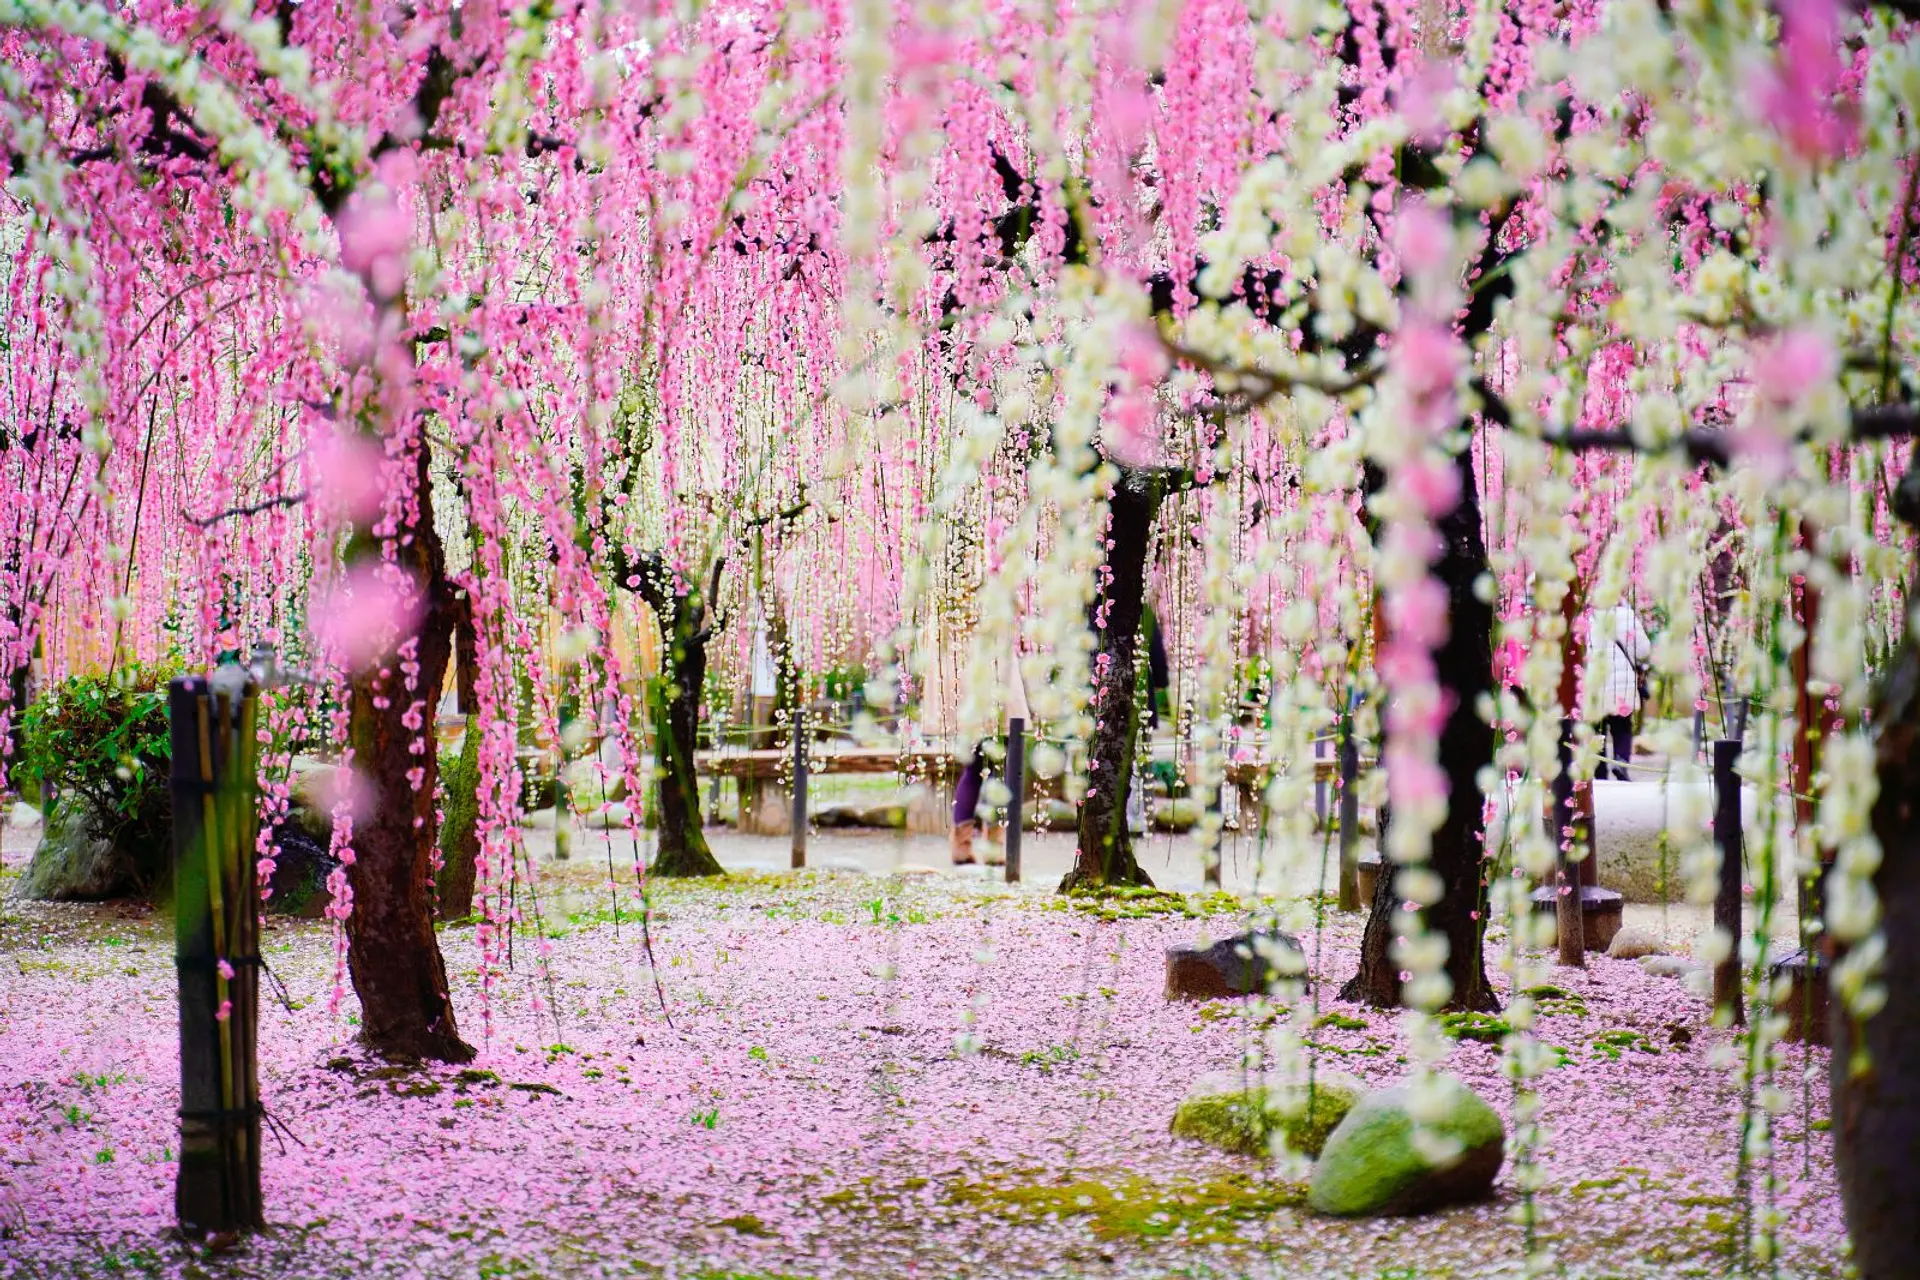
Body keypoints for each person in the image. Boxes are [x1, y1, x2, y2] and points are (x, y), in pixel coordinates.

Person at [1587, 600, 1651, 780]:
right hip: (1623, 680)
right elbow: (1643, 649)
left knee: (1596, 726)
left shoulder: (1586, 617)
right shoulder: (1627, 615)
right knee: (1622, 725)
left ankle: (1599, 771)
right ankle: (1621, 761)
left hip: (1594, 679)